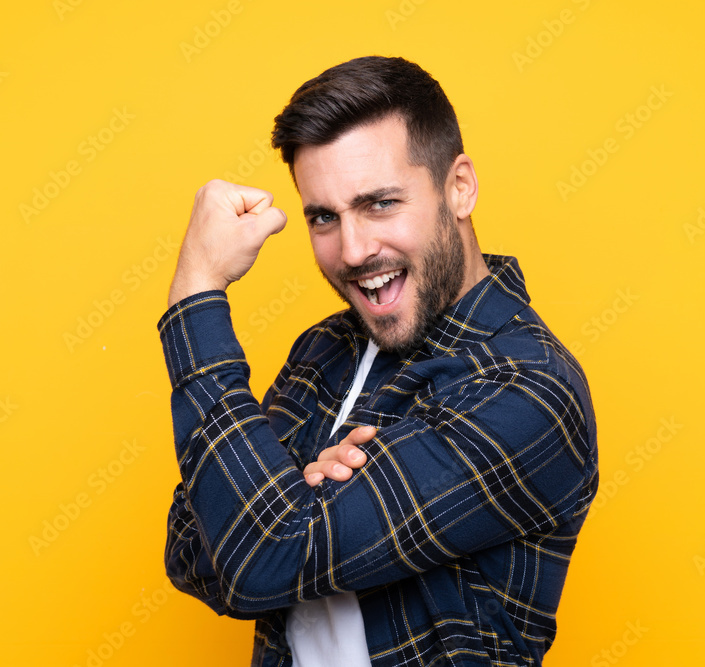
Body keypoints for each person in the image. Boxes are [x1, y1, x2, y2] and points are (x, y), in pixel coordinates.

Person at [158, 55, 598, 667]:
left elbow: (256, 556)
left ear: (459, 187)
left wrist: (196, 298)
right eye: (324, 217)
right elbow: (191, 549)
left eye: (381, 204)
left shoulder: (528, 390)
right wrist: (291, 497)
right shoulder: (323, 350)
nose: (355, 249)